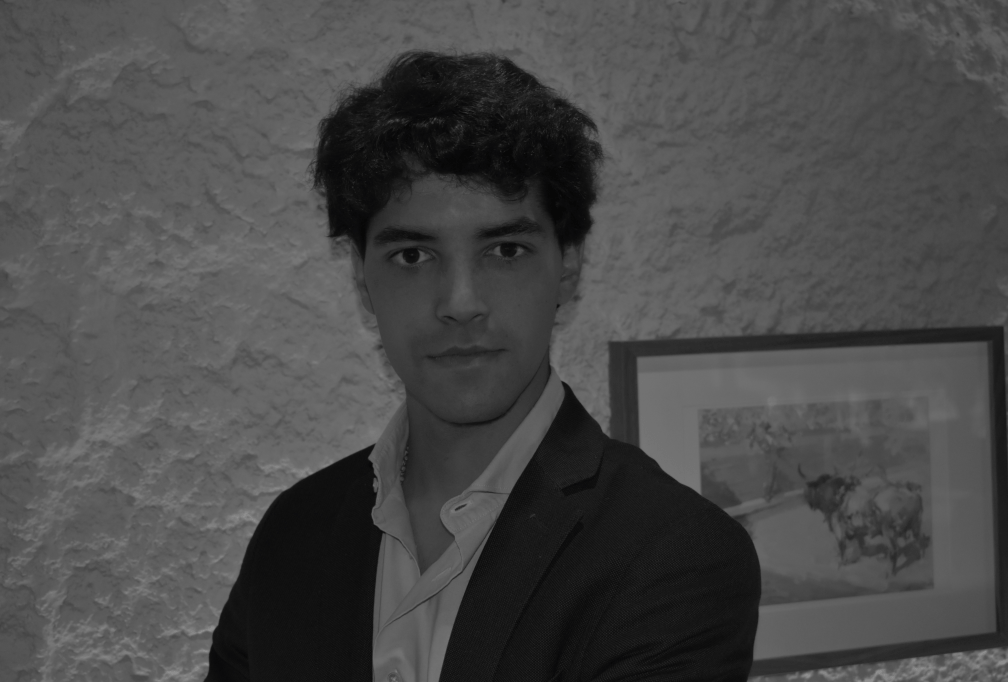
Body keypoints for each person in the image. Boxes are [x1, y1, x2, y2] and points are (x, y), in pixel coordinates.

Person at [205, 51, 760, 682]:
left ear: (569, 263)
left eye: (505, 249)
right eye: (413, 255)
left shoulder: (672, 553)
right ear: (361, 276)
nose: (460, 302)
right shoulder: (292, 533)